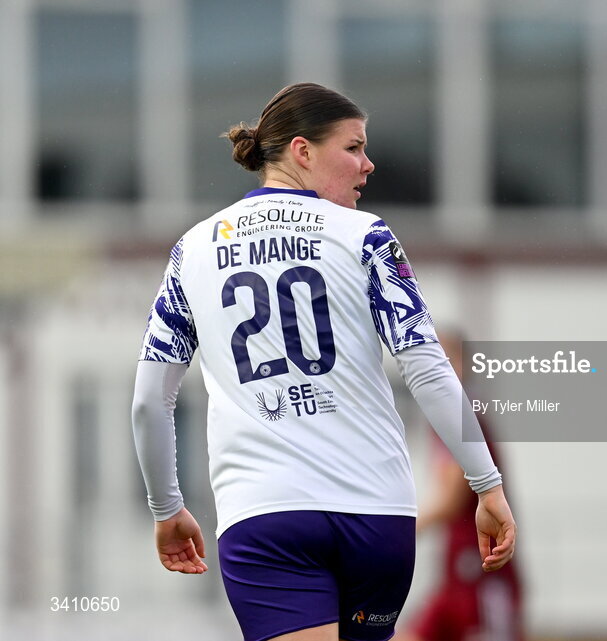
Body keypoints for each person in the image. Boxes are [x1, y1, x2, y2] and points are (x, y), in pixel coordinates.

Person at [131, 82, 516, 641]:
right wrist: (488, 485)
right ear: (302, 151)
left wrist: (167, 508)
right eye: (354, 148)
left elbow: (149, 400)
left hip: (267, 518)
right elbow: (428, 367)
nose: (369, 164)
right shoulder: (367, 236)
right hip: (378, 520)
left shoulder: (192, 250)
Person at [397, 331, 523, 641]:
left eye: (446, 360)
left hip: (482, 573)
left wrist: (403, 527)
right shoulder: (441, 422)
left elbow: (452, 497)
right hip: (455, 573)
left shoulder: (463, 418)